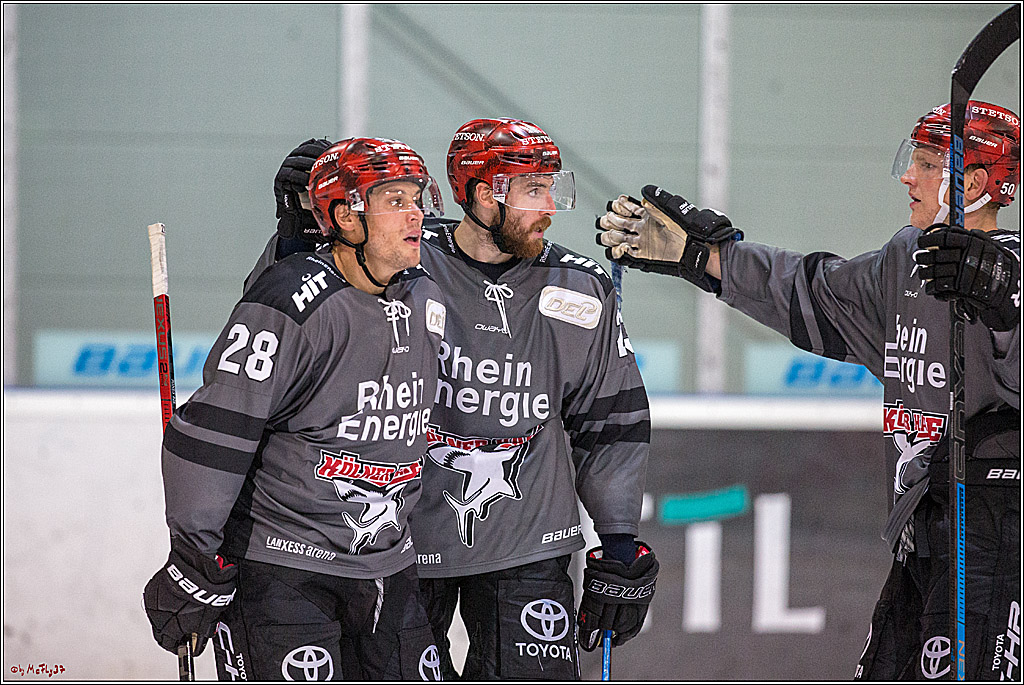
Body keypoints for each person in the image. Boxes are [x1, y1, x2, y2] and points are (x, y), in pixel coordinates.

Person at [596, 101, 1020, 681]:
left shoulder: (1014, 275)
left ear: (972, 182)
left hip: (998, 529)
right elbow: (813, 294)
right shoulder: (907, 261)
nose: (907, 176)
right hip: (922, 528)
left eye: (923, 163)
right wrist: (706, 258)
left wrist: (1005, 300)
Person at [262, 119, 659, 680]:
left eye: (552, 187)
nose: (549, 206)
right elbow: (293, 322)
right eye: (531, 189)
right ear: (478, 193)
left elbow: (610, 421)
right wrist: (296, 239)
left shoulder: (581, 286)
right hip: (397, 544)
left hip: (529, 542)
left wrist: (618, 542)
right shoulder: (400, 256)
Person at [143, 137, 450, 681]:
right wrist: (194, 555)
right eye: (396, 200)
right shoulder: (287, 302)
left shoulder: (424, 293)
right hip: (287, 570)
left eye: (417, 198)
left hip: (390, 566)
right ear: (346, 218)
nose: (416, 215)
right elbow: (217, 431)